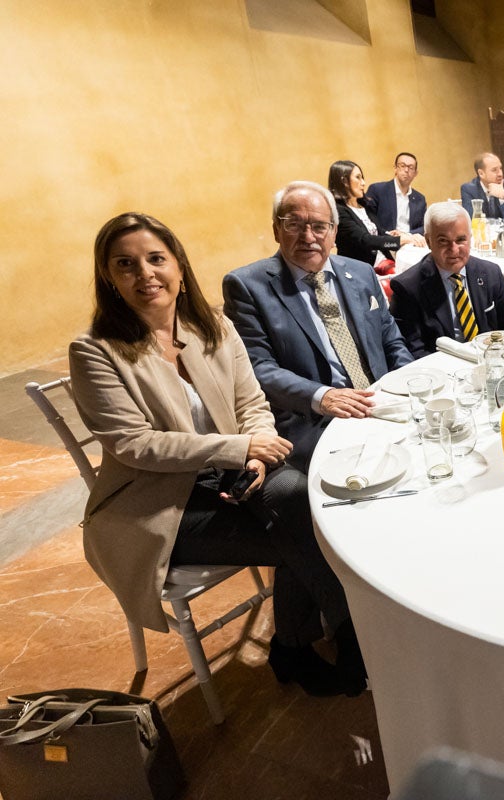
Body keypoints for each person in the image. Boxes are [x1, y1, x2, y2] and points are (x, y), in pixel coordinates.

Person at [69, 212, 366, 698]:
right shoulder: (95, 351)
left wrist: (255, 456)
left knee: (295, 494)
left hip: (228, 476)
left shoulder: (211, 327)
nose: (145, 273)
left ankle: (310, 645)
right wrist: (242, 447)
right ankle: (348, 642)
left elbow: (252, 403)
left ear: (179, 267)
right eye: (126, 264)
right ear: (109, 278)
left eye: (156, 259)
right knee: (303, 531)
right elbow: (136, 445)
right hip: (157, 507)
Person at [223, 181, 414, 468]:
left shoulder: (361, 273)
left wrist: (409, 384)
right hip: (315, 420)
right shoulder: (248, 286)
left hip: (381, 403)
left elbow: (391, 339)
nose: (308, 237)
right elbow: (258, 367)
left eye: (319, 226)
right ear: (276, 229)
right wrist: (321, 396)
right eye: (294, 225)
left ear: (334, 231)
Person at [388, 202, 504, 357]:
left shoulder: (490, 273)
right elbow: (414, 351)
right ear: (428, 241)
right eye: (443, 241)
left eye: (461, 239)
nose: (454, 249)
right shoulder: (408, 287)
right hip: (441, 371)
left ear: (470, 238)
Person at [328, 159, 415, 269]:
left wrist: (401, 235)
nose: (363, 183)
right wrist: (397, 242)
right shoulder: (338, 211)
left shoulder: (365, 205)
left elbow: (379, 232)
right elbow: (366, 241)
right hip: (360, 269)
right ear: (344, 181)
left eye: (362, 177)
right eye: (358, 177)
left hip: (383, 262)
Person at [365, 150, 428, 237]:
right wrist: (390, 236)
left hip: (410, 241)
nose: (406, 170)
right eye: (402, 166)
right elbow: (368, 220)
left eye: (411, 167)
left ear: (415, 173)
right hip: (385, 242)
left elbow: (425, 226)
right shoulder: (378, 190)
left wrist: (407, 235)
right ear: (395, 168)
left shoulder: (420, 199)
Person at [460, 152, 504, 219]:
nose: (500, 174)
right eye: (494, 170)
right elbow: (472, 219)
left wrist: (503, 197)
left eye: (500, 168)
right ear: (481, 173)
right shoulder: (469, 190)